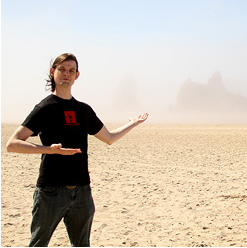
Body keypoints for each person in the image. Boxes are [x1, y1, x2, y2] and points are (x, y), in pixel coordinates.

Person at [6, 53, 149, 247]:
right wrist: (50, 149)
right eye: (62, 69)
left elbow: (109, 138)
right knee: (38, 244)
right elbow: (12, 144)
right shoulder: (44, 108)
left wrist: (132, 124)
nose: (67, 74)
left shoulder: (84, 110)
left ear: (77, 75)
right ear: (53, 72)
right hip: (50, 191)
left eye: (71, 71)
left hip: (82, 190)